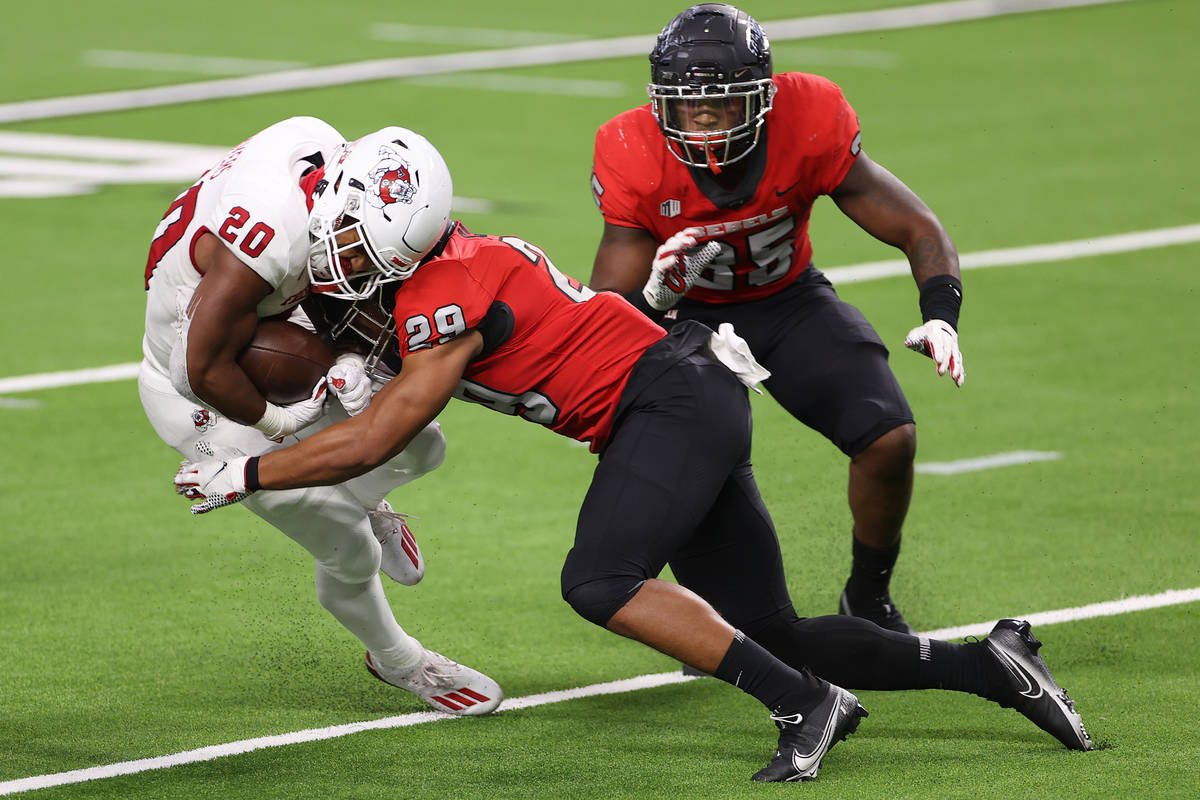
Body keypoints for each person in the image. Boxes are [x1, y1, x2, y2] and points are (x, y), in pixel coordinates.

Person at [171, 126, 1093, 783]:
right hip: (683, 395)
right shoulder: (442, 264)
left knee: (598, 581)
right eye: (337, 231)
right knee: (771, 627)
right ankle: (992, 664)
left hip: (668, 403)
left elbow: (382, 434)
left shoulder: (445, 292)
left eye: (354, 245)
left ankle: (807, 705)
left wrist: (247, 471)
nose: (335, 257)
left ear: (404, 250)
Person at [589, 3, 967, 634]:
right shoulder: (630, 149)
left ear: (763, 98)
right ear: (659, 105)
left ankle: (867, 595)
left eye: (721, 104)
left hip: (788, 300)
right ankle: (713, 627)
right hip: (685, 321)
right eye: (687, 107)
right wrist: (655, 296)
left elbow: (915, 225)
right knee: (694, 475)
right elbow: (604, 320)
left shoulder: (809, 117)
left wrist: (941, 316)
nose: (703, 122)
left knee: (889, 438)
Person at [139, 116, 501, 716]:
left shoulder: (322, 153)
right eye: (356, 250)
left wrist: (348, 357)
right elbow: (196, 370)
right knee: (351, 549)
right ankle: (399, 660)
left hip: (269, 332)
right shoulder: (265, 236)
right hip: (201, 395)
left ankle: (368, 498)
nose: (356, 269)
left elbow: (333, 288)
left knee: (421, 444)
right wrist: (279, 426)